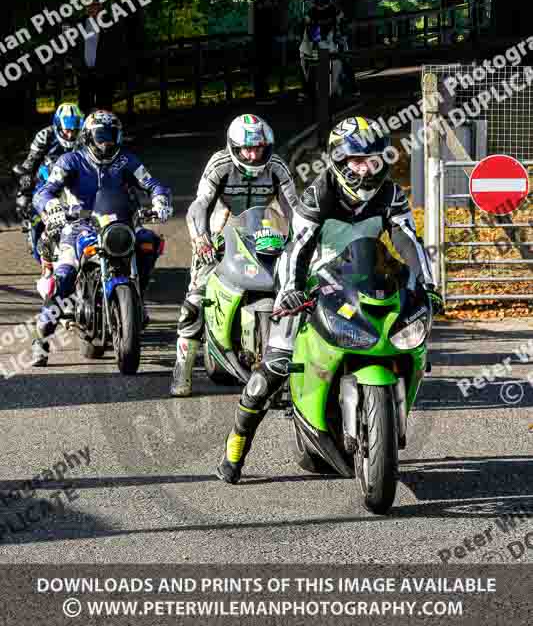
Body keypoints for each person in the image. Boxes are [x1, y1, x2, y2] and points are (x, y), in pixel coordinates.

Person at [216, 116, 444, 484]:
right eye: (356, 161)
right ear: (339, 161)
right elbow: (297, 248)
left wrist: (428, 284)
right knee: (273, 369)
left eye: (372, 161)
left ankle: (383, 414)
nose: (365, 169)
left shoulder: (391, 194)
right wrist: (289, 290)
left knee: (407, 336)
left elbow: (407, 241)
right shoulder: (319, 193)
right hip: (314, 283)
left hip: (367, 279)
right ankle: (236, 446)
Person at [30, 110, 173, 367]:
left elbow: (152, 183)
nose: (107, 141)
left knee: (149, 242)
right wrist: (51, 206)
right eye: (101, 135)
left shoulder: (126, 160)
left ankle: (137, 294)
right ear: (88, 136)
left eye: (112, 135)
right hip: (78, 226)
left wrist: (160, 199)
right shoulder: (70, 161)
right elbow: (44, 191)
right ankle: (41, 336)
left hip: (120, 224)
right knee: (64, 276)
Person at [170, 113, 298, 397]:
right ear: (234, 147)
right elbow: (200, 204)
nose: (253, 155)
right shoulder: (220, 164)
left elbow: (293, 206)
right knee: (196, 296)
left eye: (259, 148)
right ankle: (183, 366)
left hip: (265, 233)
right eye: (247, 149)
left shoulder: (277, 166)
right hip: (219, 235)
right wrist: (200, 237)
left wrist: (301, 237)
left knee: (295, 287)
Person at [12, 103, 85, 261]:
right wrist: (26, 178)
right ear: (58, 126)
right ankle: (32, 228)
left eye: (74, 130)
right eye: (67, 129)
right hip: (47, 178)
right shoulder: (45, 135)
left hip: (76, 181)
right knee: (25, 199)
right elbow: (31, 160)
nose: (71, 134)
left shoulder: (86, 137)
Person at [76, 3, 124, 112]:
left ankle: (104, 128)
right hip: (84, 74)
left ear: (100, 6)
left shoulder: (110, 23)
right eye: (87, 6)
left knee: (104, 107)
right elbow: (74, 46)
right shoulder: (80, 23)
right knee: (84, 107)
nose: (90, 8)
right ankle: (85, 128)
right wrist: (76, 65)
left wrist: (112, 68)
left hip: (104, 74)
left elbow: (118, 47)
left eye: (94, 5)